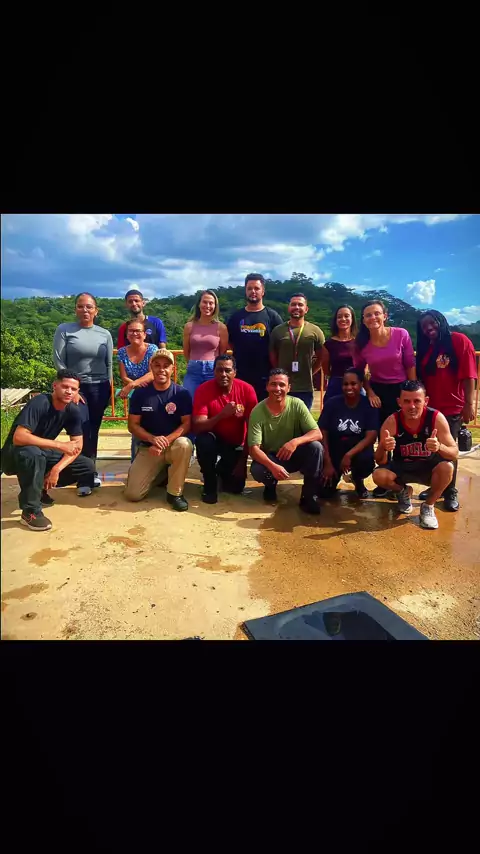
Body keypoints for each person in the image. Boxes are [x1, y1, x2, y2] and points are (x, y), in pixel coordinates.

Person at [0, 371, 95, 531]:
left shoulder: (72, 410)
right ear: (55, 386)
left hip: (40, 452)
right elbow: (19, 437)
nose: (69, 391)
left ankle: (39, 489)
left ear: (78, 391)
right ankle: (30, 511)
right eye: (65, 387)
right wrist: (59, 445)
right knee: (34, 455)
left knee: (86, 466)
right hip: (14, 454)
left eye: (73, 389)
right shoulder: (40, 402)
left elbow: (77, 446)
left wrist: (56, 469)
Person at [372, 380, 458, 529]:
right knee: (378, 475)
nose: (412, 406)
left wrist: (439, 447)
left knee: (447, 468)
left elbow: (454, 453)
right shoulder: (392, 421)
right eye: (407, 401)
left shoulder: (436, 418)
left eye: (417, 401)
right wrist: (383, 447)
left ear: (426, 401)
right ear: (399, 402)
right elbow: (380, 461)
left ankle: (428, 506)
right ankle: (403, 492)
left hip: (428, 469)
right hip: (402, 468)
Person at [416, 310, 477, 511]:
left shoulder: (458, 340)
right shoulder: (427, 348)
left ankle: (450, 492)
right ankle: (437, 487)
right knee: (432, 449)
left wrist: (469, 404)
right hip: (430, 408)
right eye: (424, 326)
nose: (429, 328)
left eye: (432, 323)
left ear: (441, 321)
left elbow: (469, 375)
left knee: (448, 450)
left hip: (452, 408)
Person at [354, 300, 416, 497]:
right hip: (378, 391)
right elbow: (360, 373)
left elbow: (410, 364)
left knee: (403, 435)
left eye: (377, 313)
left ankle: (401, 478)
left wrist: (412, 393)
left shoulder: (400, 334)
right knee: (383, 435)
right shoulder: (361, 343)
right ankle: (384, 479)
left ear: (385, 316)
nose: (373, 317)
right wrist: (370, 392)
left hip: (401, 389)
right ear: (363, 320)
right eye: (368, 315)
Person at [53, 292, 113, 487]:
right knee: (80, 429)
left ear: (96, 311)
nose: (85, 310)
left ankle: (89, 472)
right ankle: (83, 477)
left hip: (100, 387)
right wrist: (72, 388)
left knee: (93, 430)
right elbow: (59, 361)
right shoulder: (64, 330)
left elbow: (109, 364)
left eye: (89, 306)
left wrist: (109, 388)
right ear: (75, 309)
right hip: (76, 387)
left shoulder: (104, 334)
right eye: (80, 306)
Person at [124, 349, 192, 511]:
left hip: (173, 446)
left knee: (185, 444)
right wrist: (152, 439)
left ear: (172, 369)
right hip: (149, 448)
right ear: (151, 368)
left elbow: (187, 424)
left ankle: (174, 493)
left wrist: (165, 441)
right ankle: (162, 473)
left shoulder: (182, 393)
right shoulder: (140, 394)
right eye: (157, 365)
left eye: (166, 366)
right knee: (133, 495)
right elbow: (132, 425)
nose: (161, 369)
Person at [248, 368, 324, 514]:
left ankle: (309, 495)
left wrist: (294, 442)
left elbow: (317, 433)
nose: (277, 389)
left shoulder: (297, 404)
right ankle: (270, 485)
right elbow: (254, 449)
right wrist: (273, 466)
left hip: (294, 454)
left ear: (289, 388)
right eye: (273, 384)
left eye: (282, 385)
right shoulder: (257, 411)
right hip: (272, 456)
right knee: (258, 470)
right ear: (267, 386)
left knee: (316, 447)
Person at [192, 354, 258, 504]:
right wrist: (221, 415)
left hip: (235, 443)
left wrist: (242, 462)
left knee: (235, 488)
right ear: (214, 371)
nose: (223, 374)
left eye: (227, 370)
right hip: (213, 440)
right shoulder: (203, 390)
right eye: (219, 370)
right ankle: (209, 484)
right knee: (204, 440)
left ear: (235, 372)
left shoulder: (247, 390)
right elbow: (198, 425)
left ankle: (221, 471)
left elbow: (253, 428)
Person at [318, 368, 378, 499]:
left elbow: (371, 436)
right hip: (335, 450)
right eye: (345, 384)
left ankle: (357, 478)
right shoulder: (332, 404)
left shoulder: (368, 405)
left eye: (353, 383)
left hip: (357, 451)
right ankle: (335, 476)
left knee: (366, 461)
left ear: (361, 384)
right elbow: (322, 432)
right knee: (324, 493)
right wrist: (327, 462)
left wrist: (348, 455)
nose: (349, 387)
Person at [227, 273, 283, 402]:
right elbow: (229, 341)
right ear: (245, 291)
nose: (253, 291)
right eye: (249, 288)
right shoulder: (236, 317)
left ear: (263, 291)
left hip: (266, 376)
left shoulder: (272, 316)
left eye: (257, 288)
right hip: (240, 375)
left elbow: (281, 343)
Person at [269, 293, 325, 410]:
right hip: (282, 387)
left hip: (305, 388)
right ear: (289, 307)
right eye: (293, 304)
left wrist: (311, 371)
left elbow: (322, 357)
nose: (297, 307)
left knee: (302, 420)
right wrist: (280, 373)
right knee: (281, 418)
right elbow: (273, 356)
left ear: (306, 309)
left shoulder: (315, 331)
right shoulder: (278, 331)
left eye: (300, 304)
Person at [117, 318, 158, 461]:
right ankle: (136, 461)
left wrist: (132, 385)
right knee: (135, 428)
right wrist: (134, 385)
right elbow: (124, 376)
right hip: (136, 395)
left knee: (155, 425)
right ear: (127, 335)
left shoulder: (152, 349)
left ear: (145, 334)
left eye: (138, 331)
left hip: (153, 392)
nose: (135, 333)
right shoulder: (122, 352)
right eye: (131, 331)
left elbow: (152, 373)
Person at [182, 290, 229, 399]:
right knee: (189, 401)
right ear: (199, 304)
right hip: (193, 370)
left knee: (212, 402)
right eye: (204, 302)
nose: (207, 306)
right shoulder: (189, 326)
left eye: (211, 303)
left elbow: (222, 352)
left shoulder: (221, 327)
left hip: (213, 370)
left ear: (215, 306)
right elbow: (186, 350)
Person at [321, 304, 361, 401]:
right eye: (339, 317)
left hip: (356, 384)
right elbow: (326, 369)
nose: (343, 319)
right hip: (336, 384)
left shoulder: (359, 342)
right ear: (335, 320)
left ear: (352, 319)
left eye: (346, 316)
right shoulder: (328, 344)